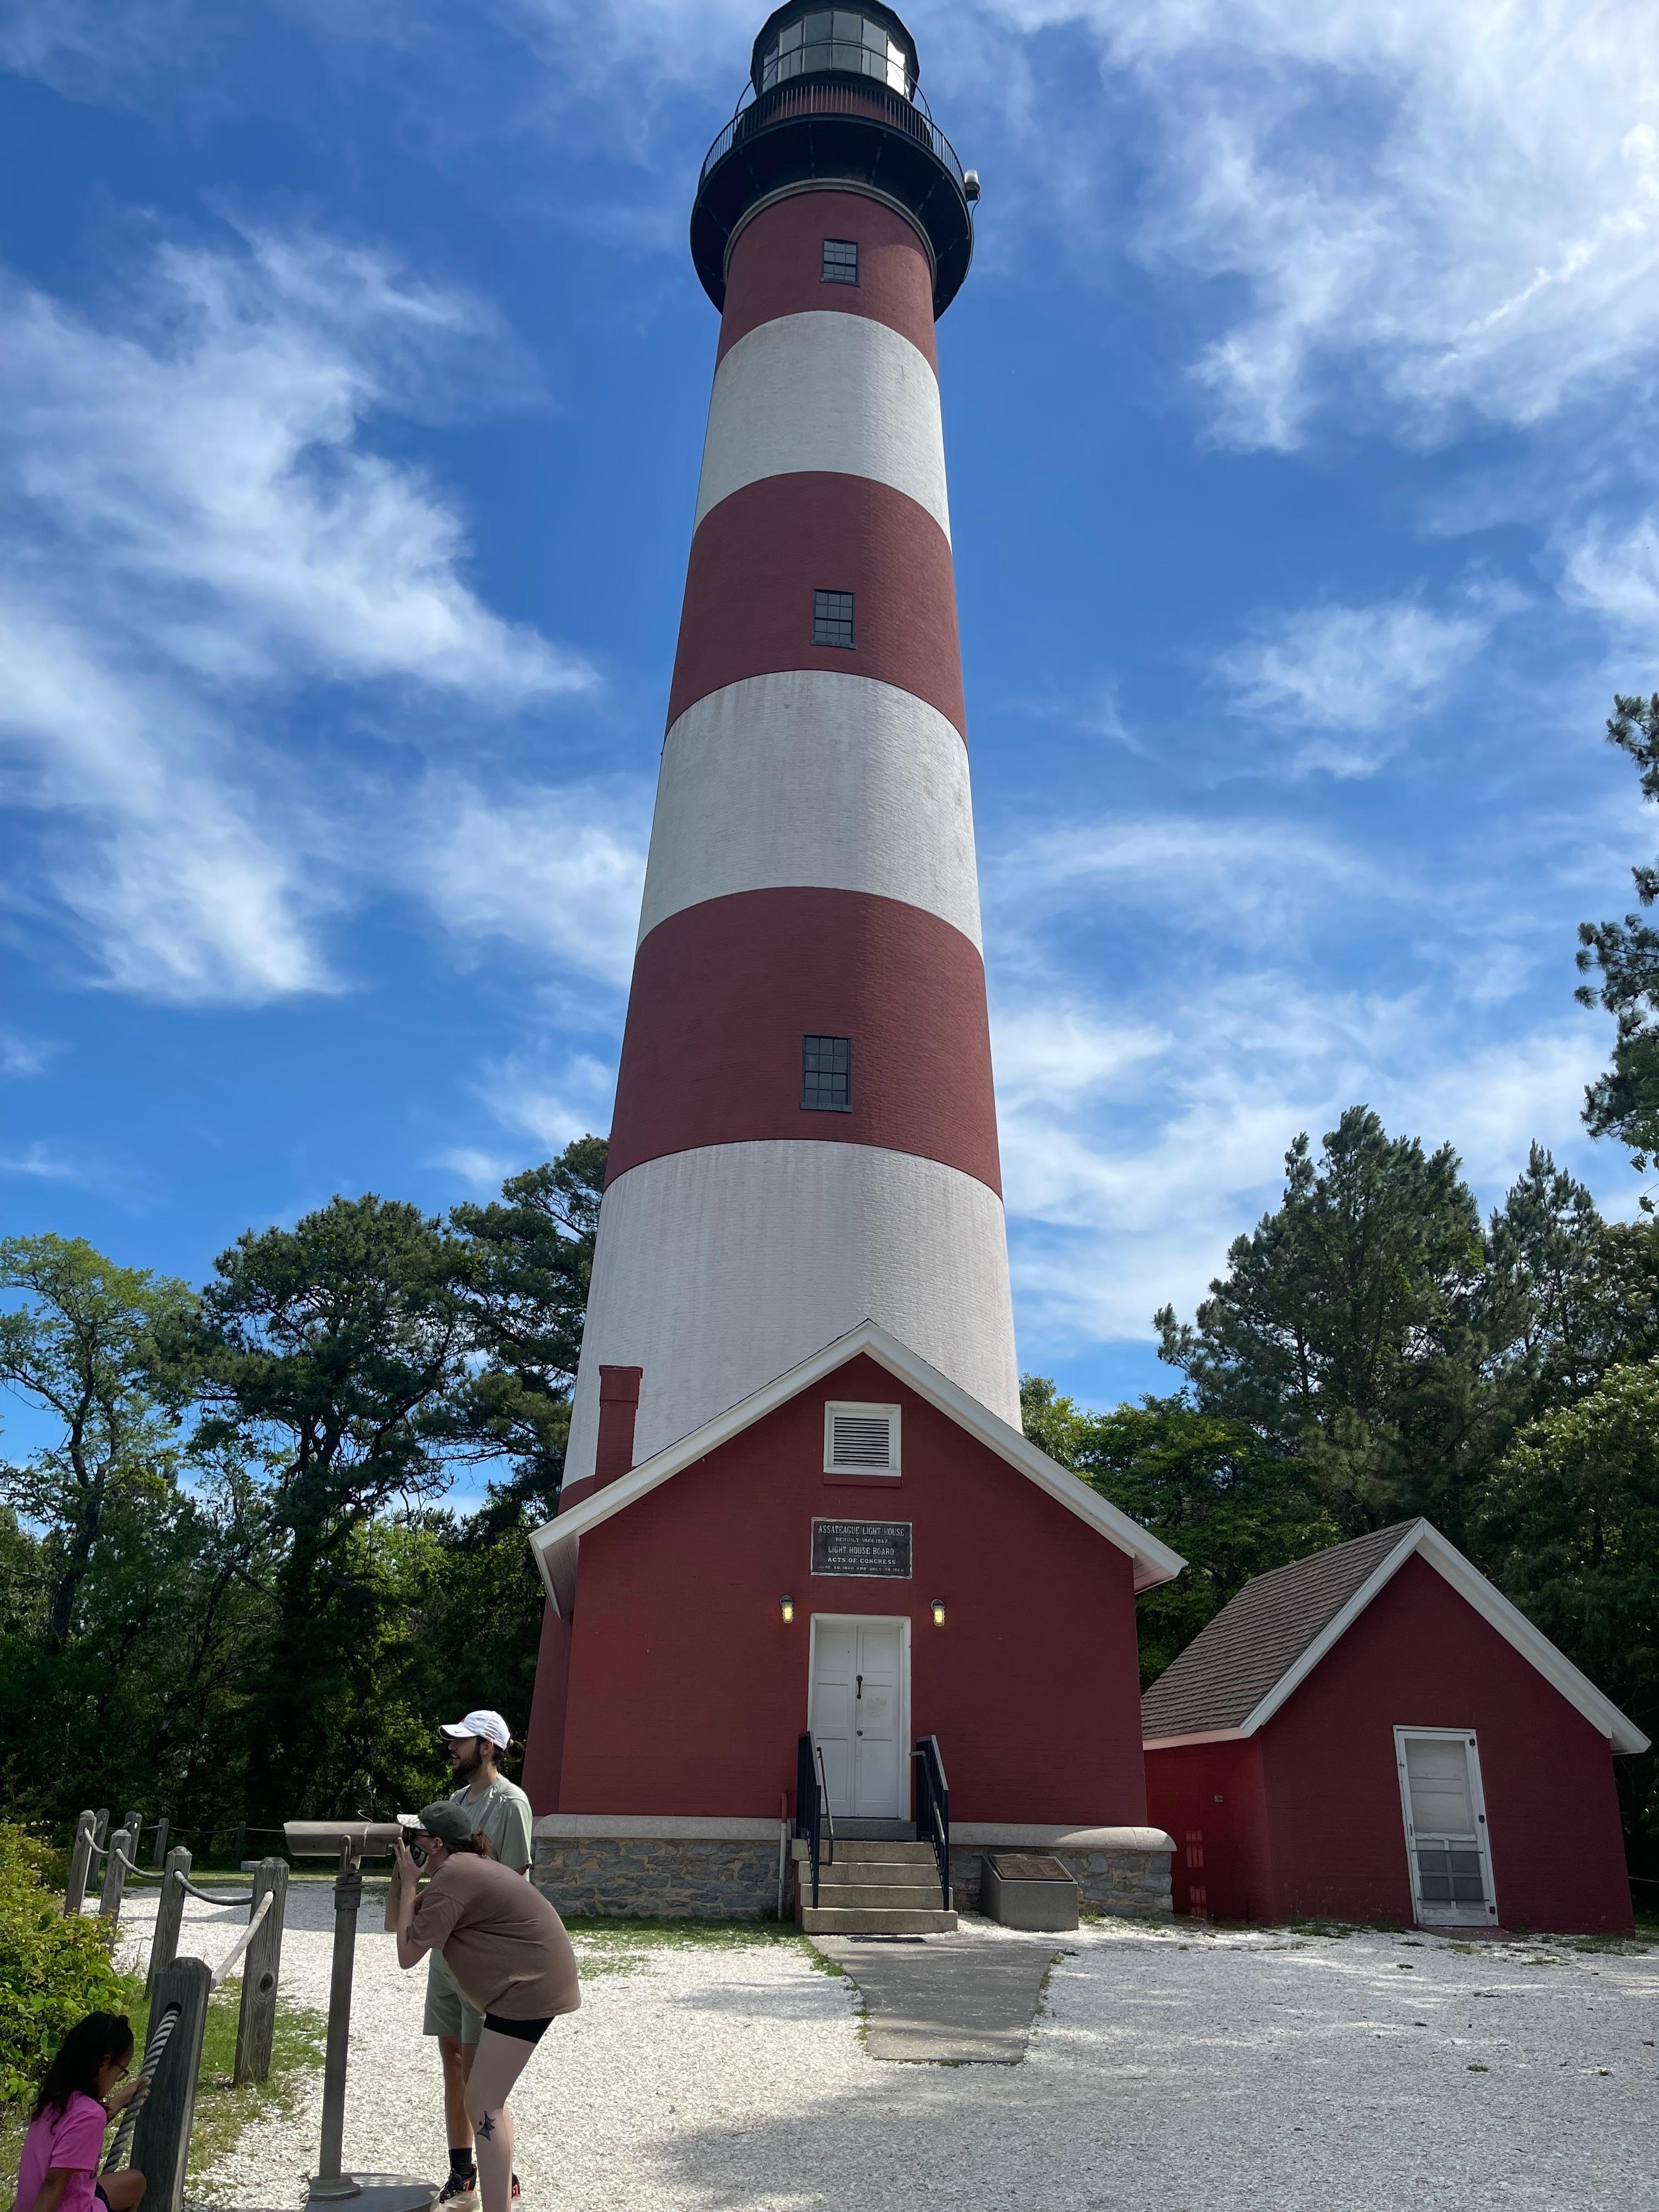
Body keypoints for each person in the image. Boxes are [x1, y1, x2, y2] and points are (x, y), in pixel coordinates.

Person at [391, 1804, 579, 2212]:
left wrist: (410, 1885)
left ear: (436, 1843)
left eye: (414, 1837)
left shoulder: (455, 1876)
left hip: (528, 1988)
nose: (408, 1843)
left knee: (482, 2102)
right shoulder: (460, 1870)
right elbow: (397, 1924)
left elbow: (407, 1955)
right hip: (529, 1984)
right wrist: (406, 1881)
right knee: (487, 2099)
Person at [421, 1711, 534, 2211]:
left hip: (480, 1961)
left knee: (478, 2075)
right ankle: (462, 2171)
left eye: (461, 1741)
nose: (452, 1747)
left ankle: (497, 2175)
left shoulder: (511, 1804)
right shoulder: (456, 1804)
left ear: (487, 1747)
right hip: (446, 1954)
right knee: (451, 2061)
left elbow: (517, 1886)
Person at [13, 2012, 147, 2212]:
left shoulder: (54, 2099)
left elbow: (75, 2134)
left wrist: (117, 2102)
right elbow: (54, 2184)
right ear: (104, 2062)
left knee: (135, 2182)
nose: (117, 2080)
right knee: (138, 2183)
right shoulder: (90, 2115)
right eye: (120, 2073)